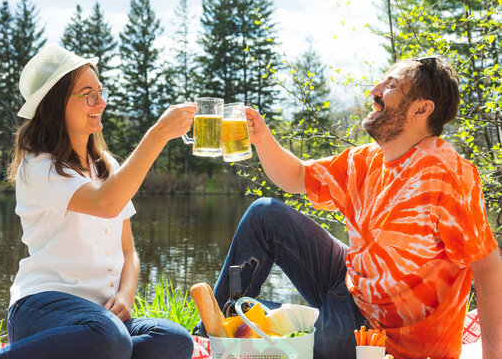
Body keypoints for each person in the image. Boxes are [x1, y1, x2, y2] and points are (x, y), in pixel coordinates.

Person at [210, 56, 502, 359]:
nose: (374, 90)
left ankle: (276, 321)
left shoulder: (447, 174)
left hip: (391, 340)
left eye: (391, 86)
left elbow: (487, 265)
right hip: (350, 282)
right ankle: (216, 328)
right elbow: (297, 175)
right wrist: (262, 138)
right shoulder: (365, 160)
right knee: (264, 214)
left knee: (329, 344)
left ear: (421, 109)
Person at [0, 44, 196, 359]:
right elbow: (105, 203)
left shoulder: (105, 165)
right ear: (56, 103)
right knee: (109, 337)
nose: (101, 103)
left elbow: (128, 250)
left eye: (100, 92)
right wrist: (159, 133)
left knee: (174, 340)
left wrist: (125, 295)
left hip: (100, 318)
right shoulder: (39, 166)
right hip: (41, 310)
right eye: (89, 94)